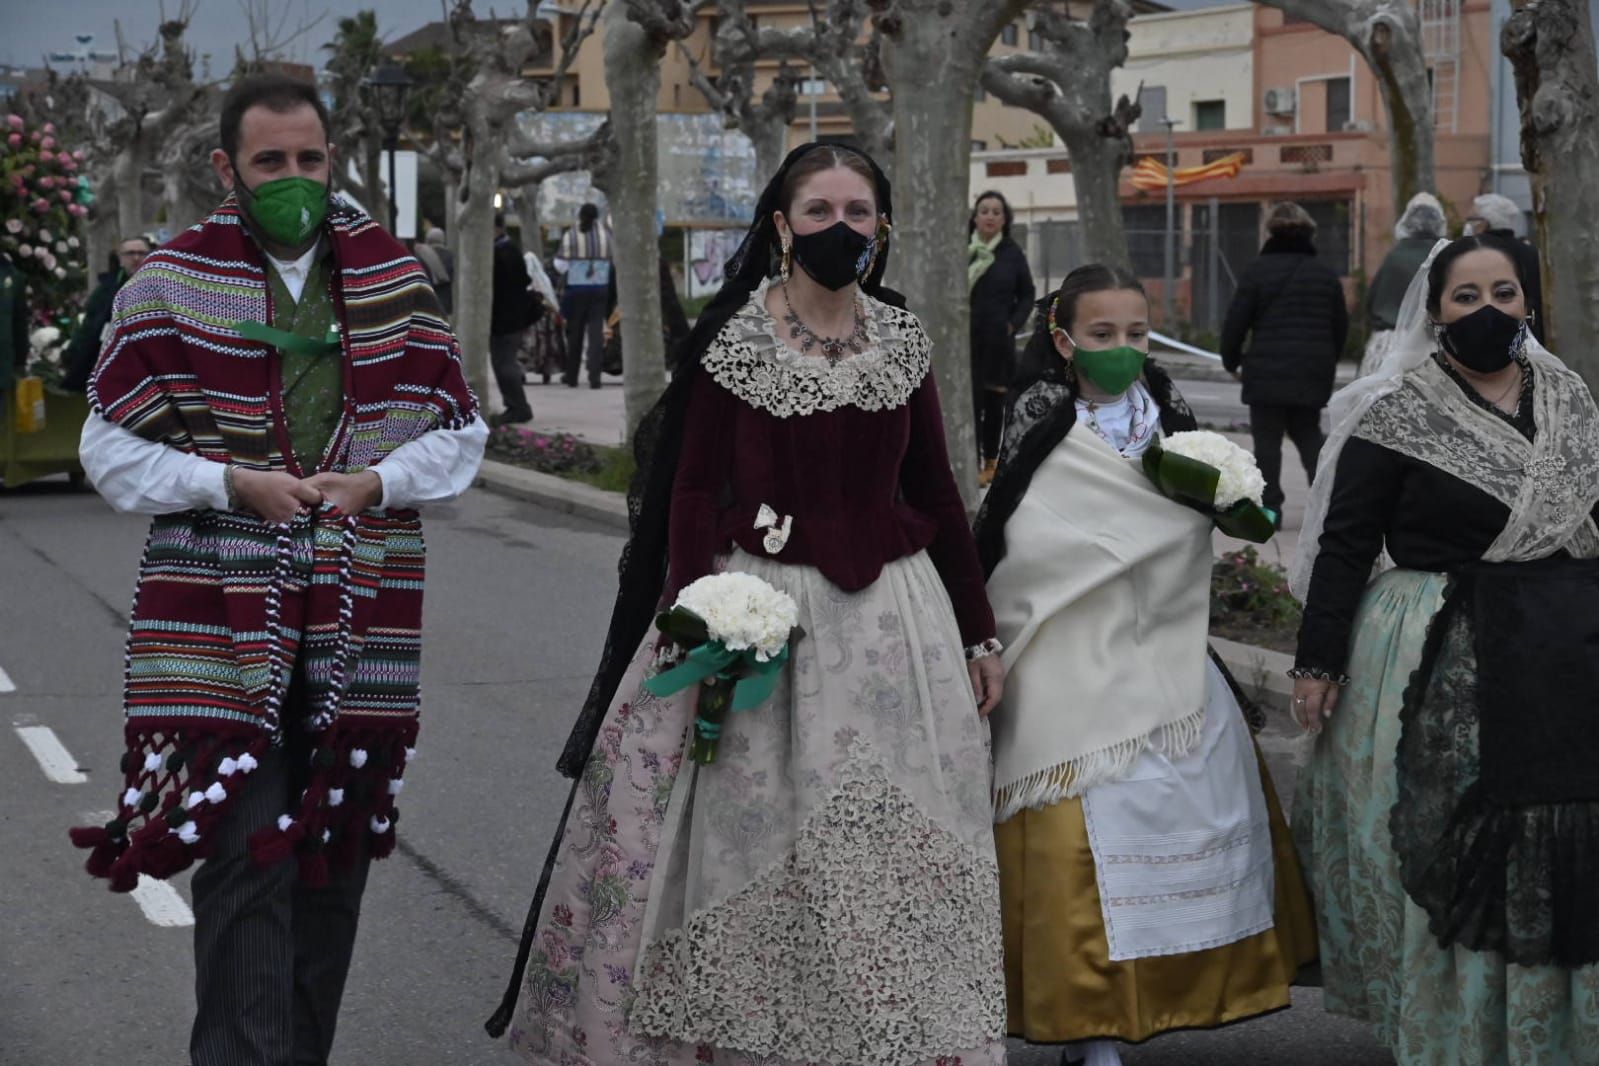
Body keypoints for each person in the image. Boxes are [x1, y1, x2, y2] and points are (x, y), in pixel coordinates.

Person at [489, 143, 1009, 1065]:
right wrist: (701, 619)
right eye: (817, 211)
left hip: (894, 626)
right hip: (756, 614)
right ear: (780, 224)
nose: (837, 229)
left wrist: (978, 632)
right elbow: (690, 492)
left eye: (856, 212)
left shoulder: (905, 340)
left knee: (882, 854)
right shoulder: (735, 341)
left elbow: (935, 496)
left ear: (880, 229)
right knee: (745, 838)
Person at [68, 72, 486, 1066]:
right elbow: (108, 448)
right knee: (244, 858)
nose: (293, 177)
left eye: (309, 158)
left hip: (358, 613)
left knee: (331, 863)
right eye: (271, 162)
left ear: (331, 158)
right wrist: (229, 481)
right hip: (216, 616)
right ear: (228, 168)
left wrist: (375, 481)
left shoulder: (394, 278)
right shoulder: (166, 281)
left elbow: (459, 436)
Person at [974, 265, 1317, 1066]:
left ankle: (1169, 998)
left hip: (1164, 649)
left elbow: (1202, 514)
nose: (1121, 348)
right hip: (1063, 649)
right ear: (1063, 341)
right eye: (1101, 335)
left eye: (1135, 333)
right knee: (1076, 842)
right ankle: (1085, 1023)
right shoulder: (1037, 415)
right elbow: (1016, 535)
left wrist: (1234, 511)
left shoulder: (1168, 411)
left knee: (1174, 825)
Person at [1289, 232, 1599, 1064]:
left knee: (1560, 836)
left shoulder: (1570, 400)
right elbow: (1345, 546)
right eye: (1466, 297)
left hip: (1562, 647)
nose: (1487, 311)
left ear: (1527, 303)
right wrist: (1318, 662)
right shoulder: (1394, 414)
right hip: (1433, 645)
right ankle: (1448, 1029)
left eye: (1503, 293)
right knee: (1450, 832)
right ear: (1434, 311)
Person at [1221, 201, 1348, 525]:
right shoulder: (1325, 275)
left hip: (1265, 371)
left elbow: (1236, 322)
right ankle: (1327, 503)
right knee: (1308, 436)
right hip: (1311, 371)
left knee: (1267, 442)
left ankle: (1271, 509)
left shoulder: (1256, 273)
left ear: (1270, 232)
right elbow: (1339, 327)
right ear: (1309, 233)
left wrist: (1232, 361)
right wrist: (1325, 363)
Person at [968, 190, 1035, 487]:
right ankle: (967, 460)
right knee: (969, 403)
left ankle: (990, 464)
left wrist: (1013, 324)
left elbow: (1028, 293)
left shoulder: (1012, 253)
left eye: (997, 211)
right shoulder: (962, 250)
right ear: (974, 217)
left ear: (1005, 219)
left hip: (998, 342)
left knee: (994, 405)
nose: (990, 216)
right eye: (985, 210)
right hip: (965, 343)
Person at [1360, 193, 1444, 377]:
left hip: (1387, 344)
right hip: (1429, 346)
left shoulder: (1394, 256)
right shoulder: (1444, 256)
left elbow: (1371, 301)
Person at [61, 235, 151, 392]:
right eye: (130, 253)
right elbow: (89, 329)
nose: (136, 258)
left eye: (142, 253)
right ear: (121, 259)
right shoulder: (106, 291)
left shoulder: (164, 287)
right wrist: (72, 356)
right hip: (112, 366)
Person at [1464, 193, 1544, 343]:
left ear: (1484, 223)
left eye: (1471, 220)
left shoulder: (1474, 255)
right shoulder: (1532, 253)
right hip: (1531, 336)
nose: (1468, 225)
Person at [554, 201, 612, 389]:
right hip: (600, 288)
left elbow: (560, 265)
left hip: (576, 289)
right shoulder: (606, 234)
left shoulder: (571, 234)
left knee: (575, 334)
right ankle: (595, 378)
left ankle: (571, 376)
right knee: (596, 334)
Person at [491, 212, 535, 425]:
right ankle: (515, 404)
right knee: (502, 363)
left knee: (504, 363)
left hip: (506, 319)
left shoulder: (503, 252)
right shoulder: (509, 250)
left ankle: (518, 407)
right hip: (509, 318)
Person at [520, 235, 562, 384]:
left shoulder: (522, 279)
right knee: (546, 347)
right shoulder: (544, 280)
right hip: (544, 320)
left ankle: (522, 371)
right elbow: (551, 299)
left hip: (527, 319)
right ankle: (546, 372)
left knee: (524, 346)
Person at [413, 227, 454, 314]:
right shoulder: (450, 256)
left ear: (428, 239)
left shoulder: (421, 253)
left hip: (427, 298)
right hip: (445, 300)